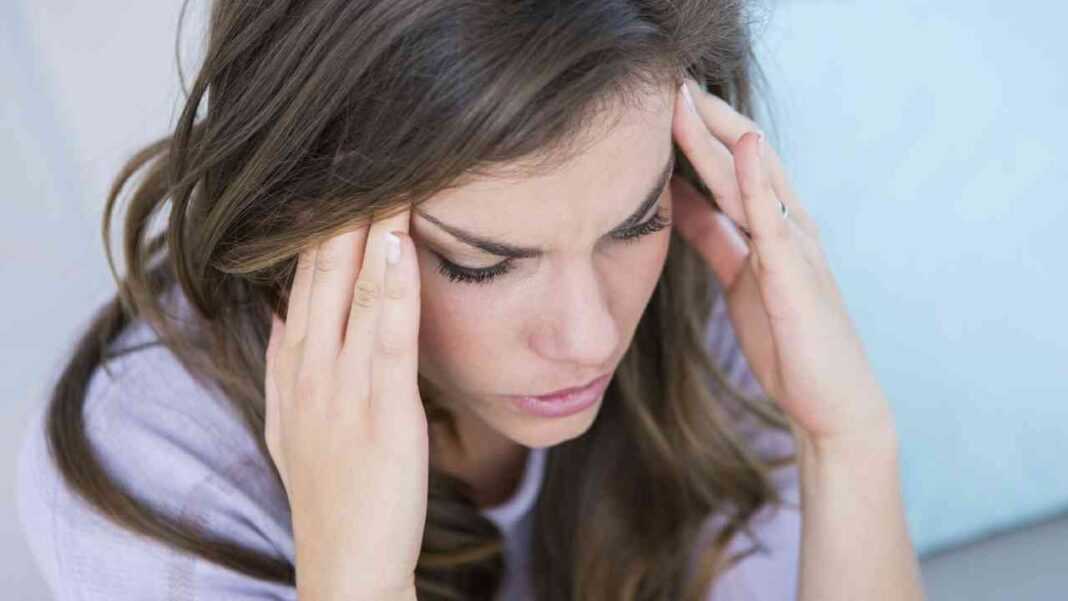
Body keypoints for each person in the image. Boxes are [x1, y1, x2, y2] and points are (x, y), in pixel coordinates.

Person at [15, 1, 925, 600]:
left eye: (634, 222)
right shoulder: (158, 476)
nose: (591, 335)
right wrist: (357, 581)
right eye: (484, 264)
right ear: (305, 217)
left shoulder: (704, 289)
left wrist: (846, 442)